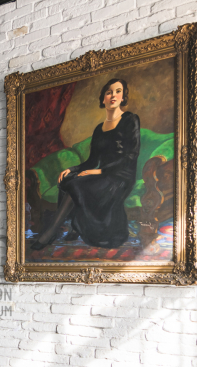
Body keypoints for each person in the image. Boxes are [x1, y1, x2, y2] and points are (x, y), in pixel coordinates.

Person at [30, 78, 141, 250]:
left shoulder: (130, 120)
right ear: (103, 98)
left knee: (76, 184)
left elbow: (130, 156)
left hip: (120, 176)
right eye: (109, 92)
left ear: (123, 97)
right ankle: (75, 226)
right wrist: (71, 169)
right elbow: (92, 161)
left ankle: (51, 232)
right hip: (102, 174)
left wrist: (97, 172)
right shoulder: (99, 129)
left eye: (118, 91)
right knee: (68, 179)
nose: (113, 95)